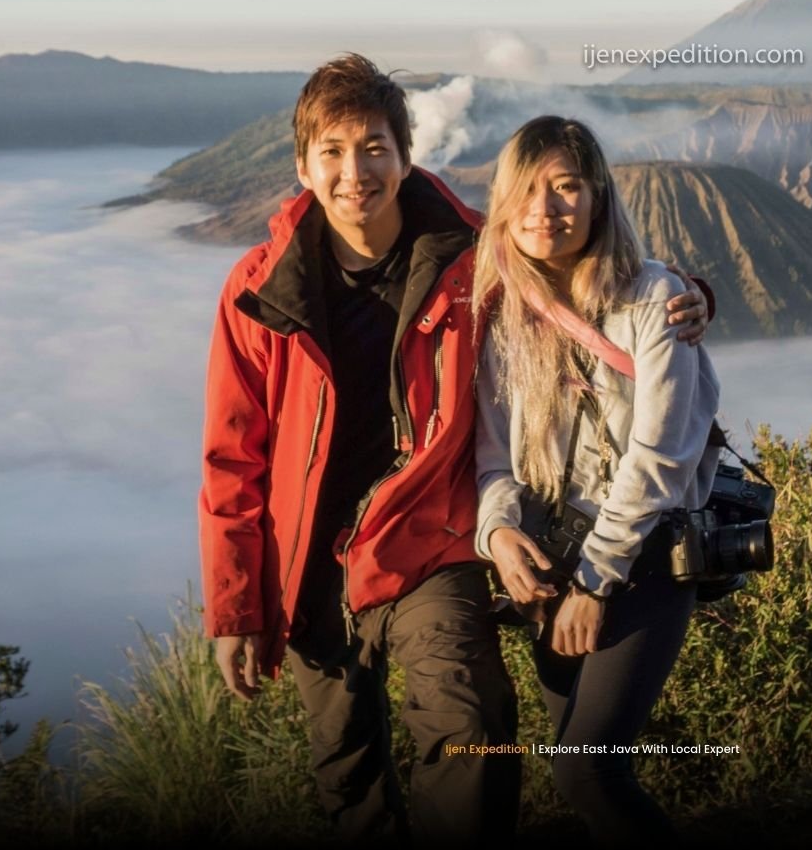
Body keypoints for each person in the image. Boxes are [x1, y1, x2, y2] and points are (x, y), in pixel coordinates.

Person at [197, 55, 708, 844]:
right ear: (302, 166)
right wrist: (235, 606)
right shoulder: (257, 292)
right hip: (305, 564)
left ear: (406, 157)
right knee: (348, 774)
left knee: (472, 732)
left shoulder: (475, 258)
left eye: (373, 148)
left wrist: (688, 296)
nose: (353, 171)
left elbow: (580, 278)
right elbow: (233, 457)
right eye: (330, 151)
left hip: (427, 542)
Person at [473, 116, 721, 843]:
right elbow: (493, 457)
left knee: (590, 770)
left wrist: (594, 584)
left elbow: (660, 457)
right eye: (528, 190)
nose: (545, 209)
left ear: (598, 198)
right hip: (552, 557)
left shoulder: (655, 301)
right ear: (503, 202)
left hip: (638, 561)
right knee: (573, 768)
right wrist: (499, 534)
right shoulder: (499, 319)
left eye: (566, 187)